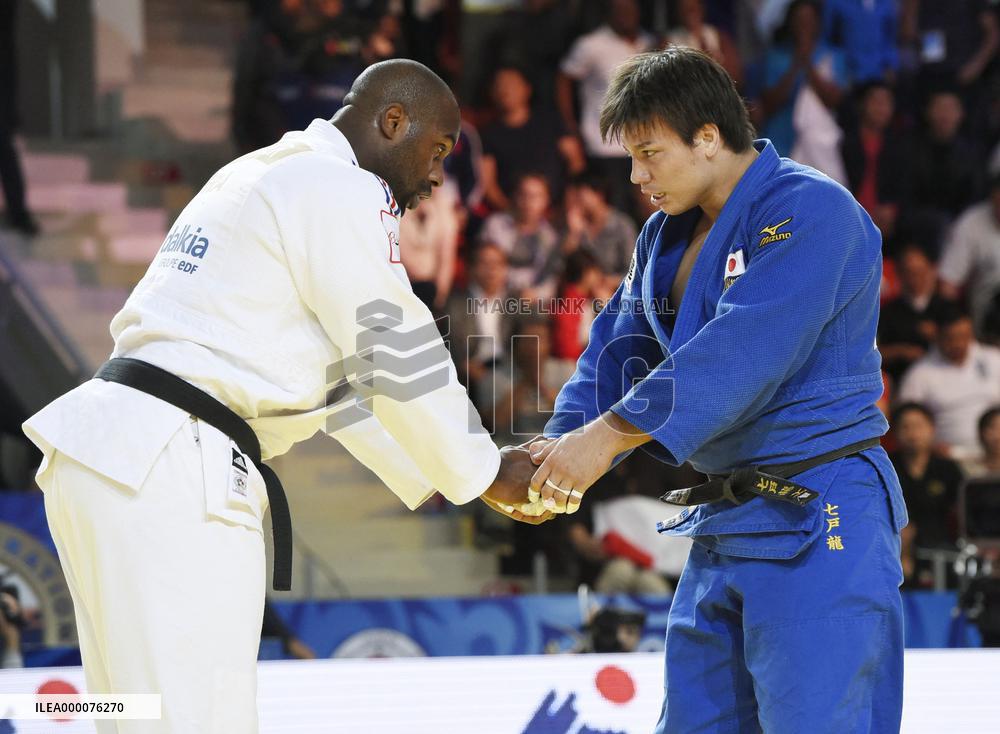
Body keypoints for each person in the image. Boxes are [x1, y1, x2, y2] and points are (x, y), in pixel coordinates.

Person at [22, 60, 550, 734]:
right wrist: (480, 467)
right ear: (393, 122)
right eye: (438, 150)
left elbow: (340, 384)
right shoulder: (340, 188)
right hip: (170, 468)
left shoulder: (259, 175)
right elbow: (388, 339)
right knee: (200, 720)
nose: (437, 176)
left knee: (132, 714)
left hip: (110, 458)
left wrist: (462, 476)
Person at [526, 47, 908, 732]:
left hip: (817, 512)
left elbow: (741, 349)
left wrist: (605, 438)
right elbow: (618, 348)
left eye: (649, 154)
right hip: (724, 522)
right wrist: (554, 458)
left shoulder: (813, 211)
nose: (638, 176)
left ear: (707, 137)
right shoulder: (663, 236)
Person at [897, 304, 1000, 459]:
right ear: (937, 336)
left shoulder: (994, 359)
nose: (958, 344)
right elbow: (906, 422)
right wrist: (929, 447)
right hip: (947, 459)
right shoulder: (919, 374)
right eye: (951, 338)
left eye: (964, 336)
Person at [888, 402, 963, 586]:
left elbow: (963, 511)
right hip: (895, 547)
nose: (913, 434)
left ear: (932, 429)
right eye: (906, 427)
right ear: (895, 432)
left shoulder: (947, 468)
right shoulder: (887, 467)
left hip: (943, 548)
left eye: (919, 426)